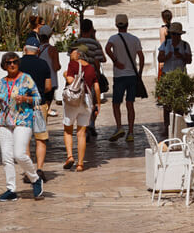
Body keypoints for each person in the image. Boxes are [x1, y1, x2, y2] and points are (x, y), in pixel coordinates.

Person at [0, 53, 44, 201]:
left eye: (15, 62)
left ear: (18, 63)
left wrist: (25, 98)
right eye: (8, 62)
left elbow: (38, 98)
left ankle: (35, 179)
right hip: (5, 122)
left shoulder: (26, 79)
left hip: (24, 120)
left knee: (19, 154)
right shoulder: (2, 82)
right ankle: (11, 189)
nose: (12, 65)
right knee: (6, 158)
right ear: (4, 66)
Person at [105, 12, 144, 143]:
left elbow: (107, 48)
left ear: (116, 25)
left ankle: (119, 127)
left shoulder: (113, 38)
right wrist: (140, 72)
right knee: (130, 104)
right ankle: (131, 132)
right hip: (132, 75)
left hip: (119, 75)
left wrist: (115, 61)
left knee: (116, 103)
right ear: (128, 24)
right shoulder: (134, 39)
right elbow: (141, 57)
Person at [62, 45, 100, 172]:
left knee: (68, 130)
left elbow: (70, 80)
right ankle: (80, 164)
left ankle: (70, 156)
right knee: (81, 133)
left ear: (78, 54)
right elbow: (96, 86)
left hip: (73, 101)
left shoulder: (72, 64)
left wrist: (65, 74)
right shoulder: (90, 68)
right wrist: (98, 103)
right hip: (87, 101)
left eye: (73, 52)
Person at [18, 39, 53, 172]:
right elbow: (48, 86)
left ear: (24, 48)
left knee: (25, 140)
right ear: (38, 50)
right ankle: (40, 169)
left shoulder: (18, 63)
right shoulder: (43, 64)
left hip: (23, 106)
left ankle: (29, 171)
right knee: (40, 139)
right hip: (39, 105)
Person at [157, 21, 192, 134]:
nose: (175, 36)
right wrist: (166, 57)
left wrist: (181, 56)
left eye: (177, 34)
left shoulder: (185, 45)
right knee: (167, 104)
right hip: (167, 75)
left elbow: (189, 60)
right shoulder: (166, 44)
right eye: (173, 34)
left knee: (179, 104)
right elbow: (159, 58)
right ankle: (167, 127)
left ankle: (178, 127)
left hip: (180, 76)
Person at [74, 19, 106, 138]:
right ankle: (91, 124)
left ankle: (84, 127)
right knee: (92, 102)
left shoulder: (75, 43)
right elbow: (100, 59)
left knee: (82, 103)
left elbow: (72, 60)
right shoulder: (95, 43)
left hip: (78, 77)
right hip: (92, 76)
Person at [37, 25, 60, 120]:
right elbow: (56, 67)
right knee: (46, 108)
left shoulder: (36, 49)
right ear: (50, 36)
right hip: (50, 81)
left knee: (39, 108)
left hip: (38, 81)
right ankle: (42, 129)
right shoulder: (52, 50)